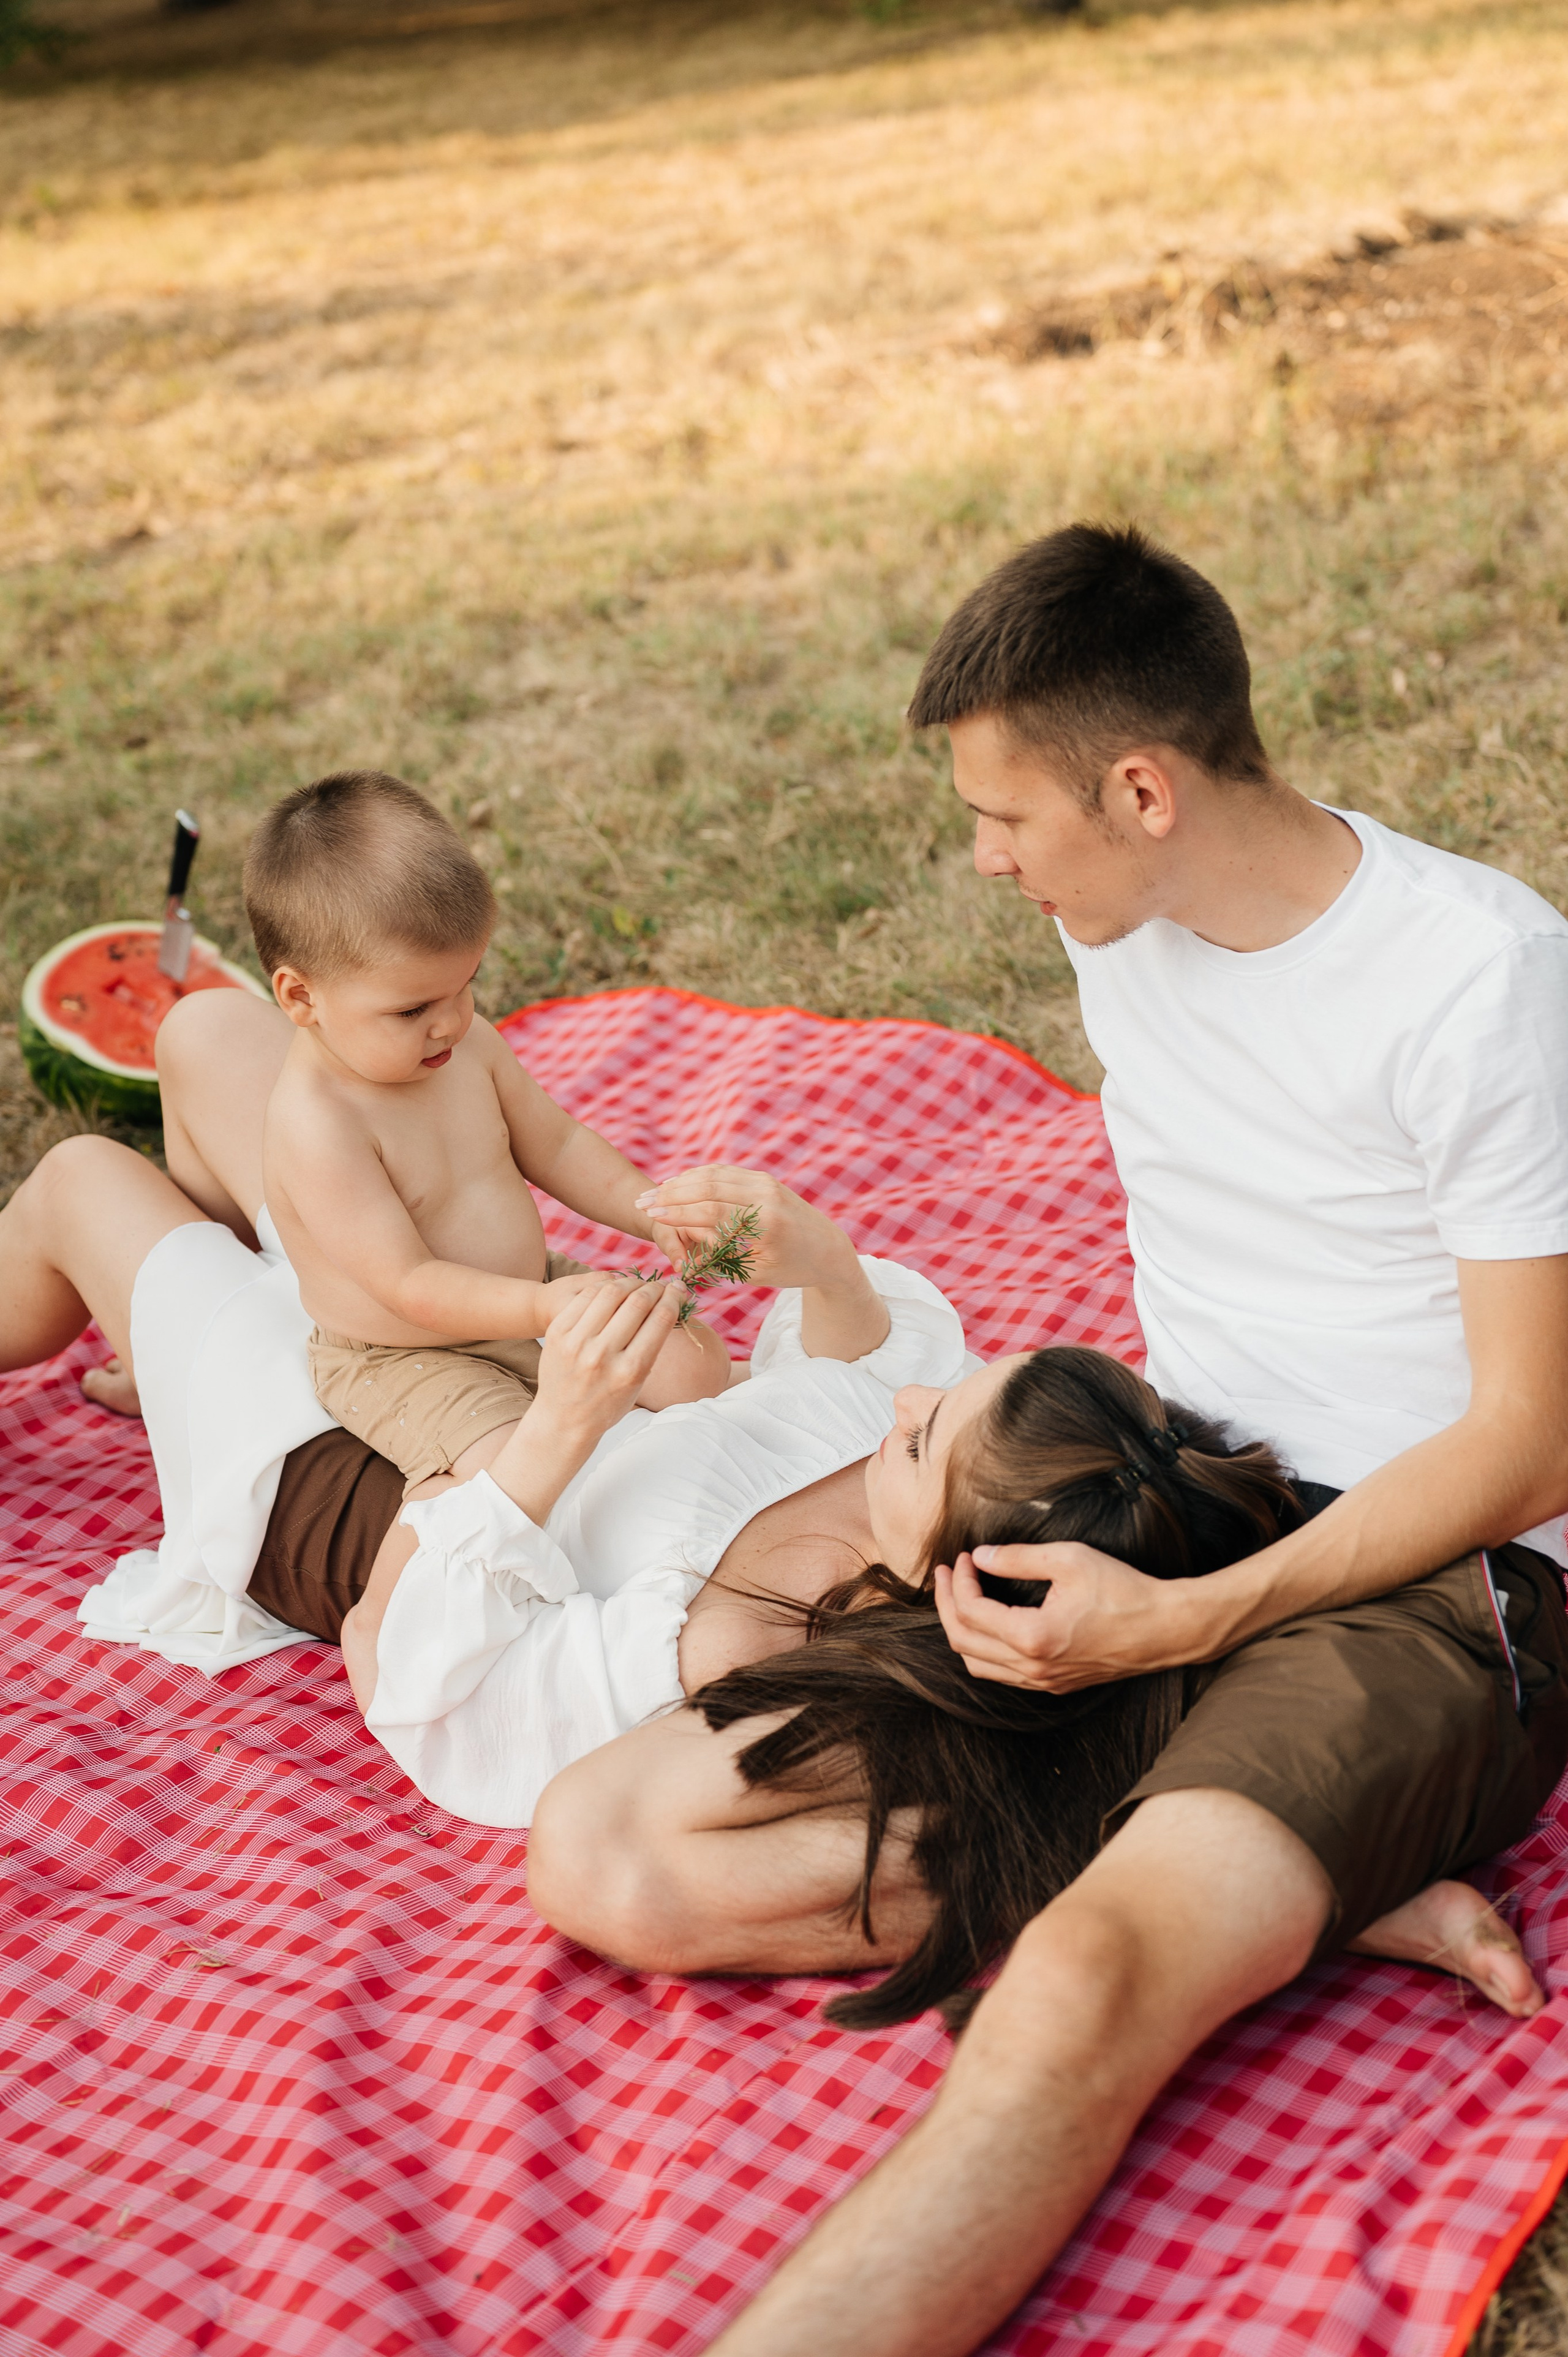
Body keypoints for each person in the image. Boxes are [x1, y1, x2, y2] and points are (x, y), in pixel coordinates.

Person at [528, 524, 1568, 2357]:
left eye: (1006, 816)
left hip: (1430, 1579)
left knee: (1077, 1983)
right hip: (1163, 1486)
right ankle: (1287, 1877)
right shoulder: (1127, 922)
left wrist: (1182, 1627)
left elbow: (1528, 1440)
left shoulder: (1480, 982)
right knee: (611, 1851)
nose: (982, 855)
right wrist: (1121, 1552)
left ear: (1144, 788)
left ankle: (1223, 1863)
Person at [0, 1053, 1546, 2024]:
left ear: (953, 1570)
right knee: (211, 1044)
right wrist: (814, 1262)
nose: (921, 1391)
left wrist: (546, 1437)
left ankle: (178, 1354)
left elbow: (405, 1672)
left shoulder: (720, 1648)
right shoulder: (920, 1476)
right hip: (481, 1361)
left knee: (81, 1176)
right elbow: (865, 1372)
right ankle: (180, 1331)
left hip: (337, 1482)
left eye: (935, 1425)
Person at [246, 767, 726, 1495]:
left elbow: (557, 1144)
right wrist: (540, 1311)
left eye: (467, 983)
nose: (451, 1020)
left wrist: (648, 1209)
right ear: (301, 996)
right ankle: (397, 1587)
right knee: (510, 1470)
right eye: (412, 1010)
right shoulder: (319, 1123)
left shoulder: (465, 1048)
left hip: (530, 1292)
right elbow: (408, 1284)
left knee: (697, 1365)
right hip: (406, 1352)